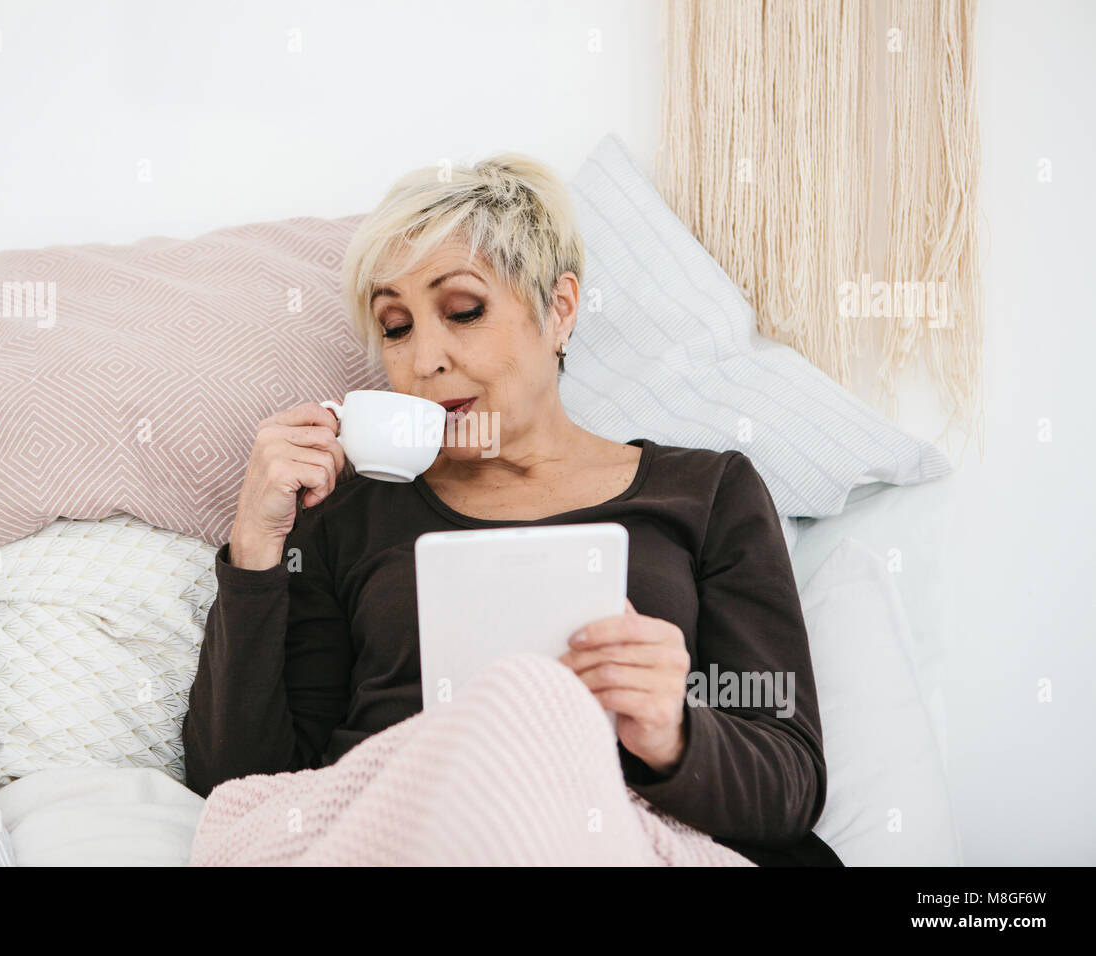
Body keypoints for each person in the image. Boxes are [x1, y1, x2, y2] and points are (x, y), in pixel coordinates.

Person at [183, 153, 842, 866]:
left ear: (558, 308)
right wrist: (255, 543)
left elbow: (790, 781)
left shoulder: (707, 495)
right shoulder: (346, 518)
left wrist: (674, 735)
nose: (423, 359)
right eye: (396, 327)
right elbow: (246, 792)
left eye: (463, 310)